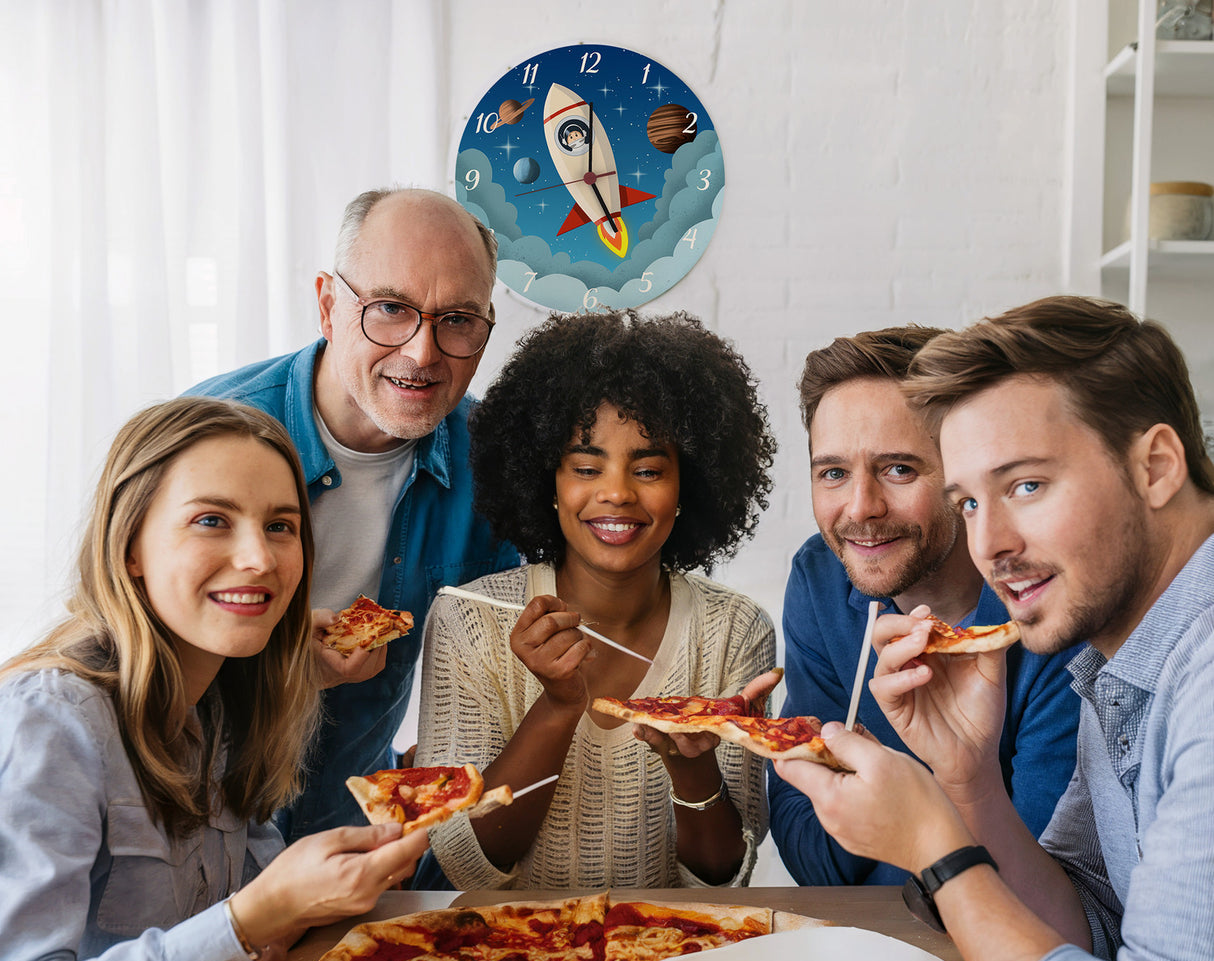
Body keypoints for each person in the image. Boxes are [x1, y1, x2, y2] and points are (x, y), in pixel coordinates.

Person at [776, 297, 1214, 961]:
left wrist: (941, 847)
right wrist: (970, 783)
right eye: (971, 500)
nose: (991, 545)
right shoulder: (1119, 648)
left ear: (1157, 465)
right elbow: (1088, 929)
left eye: (1024, 486)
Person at [0, 398, 428, 961]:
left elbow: (241, 897)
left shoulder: (224, 694)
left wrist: (253, 944)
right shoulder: (50, 720)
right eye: (211, 520)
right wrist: (253, 920)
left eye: (280, 526)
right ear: (130, 545)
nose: (260, 558)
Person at [189, 188, 518, 843]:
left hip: (354, 844)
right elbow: (119, 663)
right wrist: (280, 663)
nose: (423, 353)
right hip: (191, 840)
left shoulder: (498, 466)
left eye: (457, 319)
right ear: (327, 304)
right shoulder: (201, 438)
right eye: (391, 309)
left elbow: (499, 673)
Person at [414, 310, 780, 890]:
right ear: (547, 482)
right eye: (586, 466)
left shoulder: (736, 629)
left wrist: (692, 767)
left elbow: (724, 878)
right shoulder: (470, 618)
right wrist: (558, 705)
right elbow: (467, 864)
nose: (616, 492)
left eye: (650, 469)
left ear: (690, 486)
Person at [768, 325, 1080, 885]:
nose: (861, 508)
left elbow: (1044, 882)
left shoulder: (1049, 610)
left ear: (961, 478)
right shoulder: (819, 577)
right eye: (834, 473)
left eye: (899, 469)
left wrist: (889, 802)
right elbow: (807, 853)